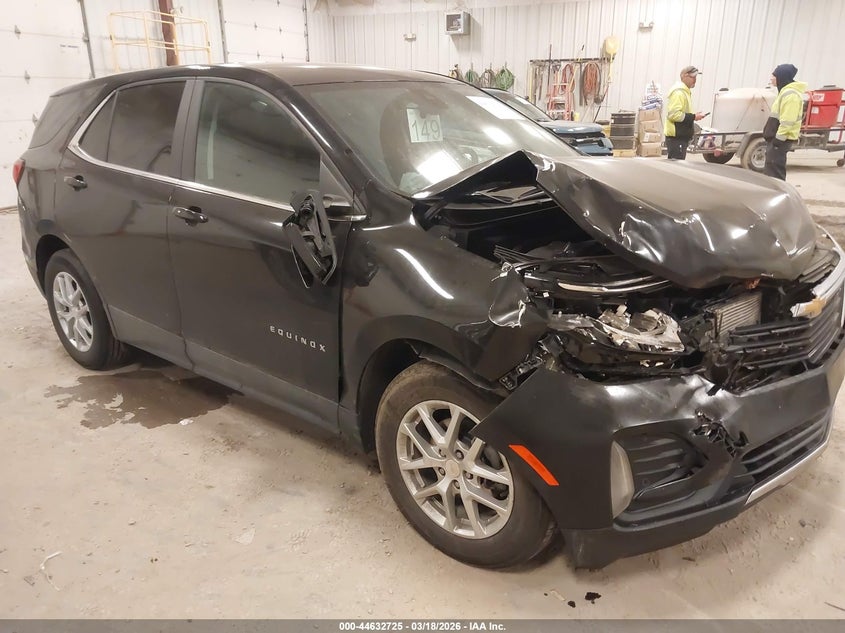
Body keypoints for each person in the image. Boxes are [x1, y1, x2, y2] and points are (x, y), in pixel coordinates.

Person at [763, 63, 806, 180]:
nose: (771, 78)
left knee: (775, 171)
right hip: (777, 139)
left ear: (782, 76)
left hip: (781, 140)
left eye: (774, 75)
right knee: (771, 168)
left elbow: (788, 121)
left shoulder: (791, 95)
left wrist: (778, 140)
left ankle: (778, 194)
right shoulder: (784, 92)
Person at [664, 66, 706, 159]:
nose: (695, 80)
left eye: (696, 77)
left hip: (680, 137)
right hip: (676, 138)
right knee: (676, 167)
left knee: (676, 166)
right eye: (693, 77)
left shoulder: (685, 92)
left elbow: (682, 113)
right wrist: (694, 117)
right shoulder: (679, 93)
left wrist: (694, 116)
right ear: (684, 76)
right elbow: (673, 115)